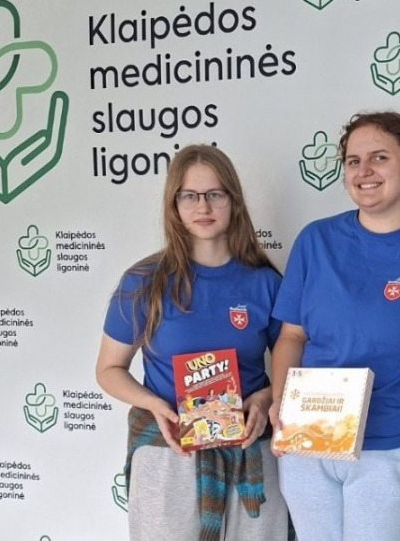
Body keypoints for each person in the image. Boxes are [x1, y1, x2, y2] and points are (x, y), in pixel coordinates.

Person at [268, 111, 400, 541]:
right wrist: (279, 402)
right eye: (353, 161)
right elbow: (291, 336)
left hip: (395, 448)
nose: (364, 171)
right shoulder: (315, 241)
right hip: (310, 438)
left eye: (379, 157)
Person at [95, 144, 289, 541]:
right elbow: (108, 369)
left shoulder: (265, 283)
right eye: (190, 196)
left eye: (216, 194)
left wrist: (265, 398)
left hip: (250, 453)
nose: (203, 206)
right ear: (174, 204)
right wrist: (154, 405)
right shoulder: (144, 281)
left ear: (234, 201)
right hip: (169, 453)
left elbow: (296, 367)